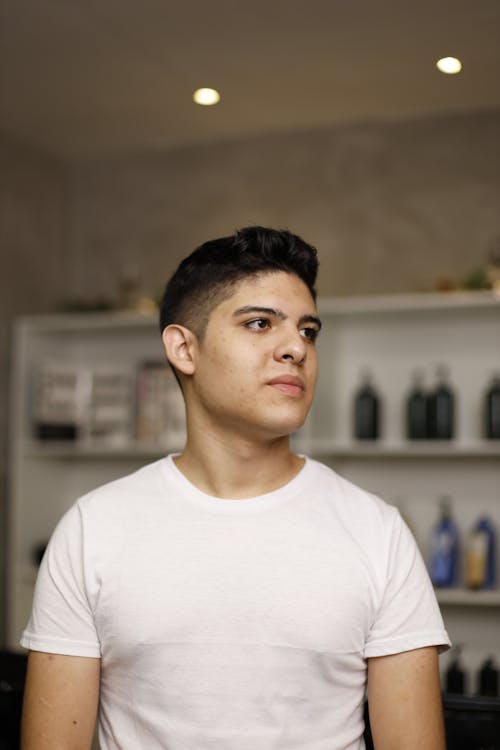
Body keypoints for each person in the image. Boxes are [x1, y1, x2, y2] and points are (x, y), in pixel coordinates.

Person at [20, 226, 450, 749]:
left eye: (309, 331)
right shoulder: (93, 528)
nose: (295, 347)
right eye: (260, 323)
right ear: (184, 348)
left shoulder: (377, 531)